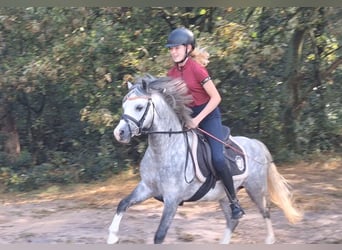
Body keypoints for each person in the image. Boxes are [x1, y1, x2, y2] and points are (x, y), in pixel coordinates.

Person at [165, 27, 244, 219]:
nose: (173, 51)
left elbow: (216, 98)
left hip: (208, 116)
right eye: (171, 48)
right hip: (187, 117)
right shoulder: (170, 74)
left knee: (217, 158)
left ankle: (234, 202)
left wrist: (198, 120)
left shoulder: (198, 69)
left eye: (177, 48)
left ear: (188, 48)